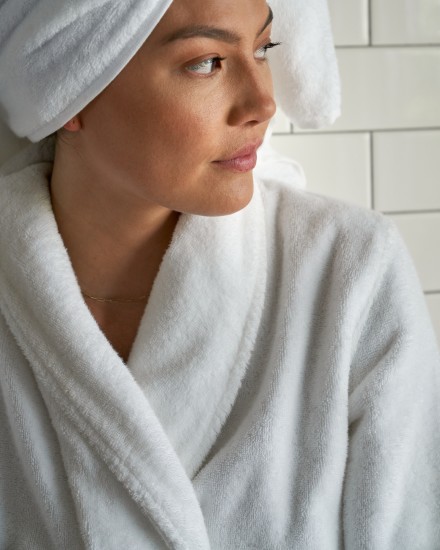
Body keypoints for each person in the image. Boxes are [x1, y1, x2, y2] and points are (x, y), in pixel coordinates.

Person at [0, 0, 439, 548]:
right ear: (72, 87)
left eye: (262, 49)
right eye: (207, 62)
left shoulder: (351, 274)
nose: (264, 102)